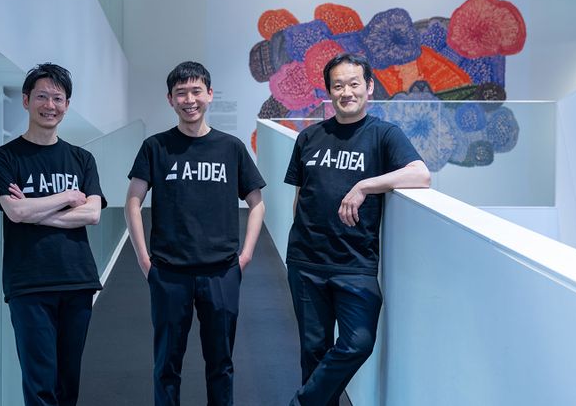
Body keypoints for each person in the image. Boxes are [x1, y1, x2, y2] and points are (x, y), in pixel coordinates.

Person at [285, 53, 430, 406]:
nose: (346, 92)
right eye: (338, 86)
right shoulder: (309, 137)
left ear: (369, 87)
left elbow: (420, 174)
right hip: (306, 261)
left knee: (358, 342)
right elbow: (301, 197)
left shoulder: (383, 135)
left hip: (355, 263)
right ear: (329, 91)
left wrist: (365, 185)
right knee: (314, 352)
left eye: (353, 84)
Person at [125, 61, 266, 406]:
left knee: (221, 364)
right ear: (170, 99)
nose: (189, 100)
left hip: (221, 271)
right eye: (181, 93)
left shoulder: (231, 147)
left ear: (210, 94)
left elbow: (257, 203)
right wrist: (144, 260)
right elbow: (132, 202)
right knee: (166, 365)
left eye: (196, 91)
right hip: (169, 272)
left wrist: (245, 256)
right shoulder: (156, 147)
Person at [0, 63, 106, 406]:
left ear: (67, 105)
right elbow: (16, 212)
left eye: (58, 98)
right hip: (29, 284)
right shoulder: (5, 157)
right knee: (40, 385)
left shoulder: (82, 159)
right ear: (26, 101)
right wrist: (68, 197)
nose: (49, 105)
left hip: (78, 280)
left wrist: (35, 211)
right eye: (42, 96)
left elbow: (92, 214)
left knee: (68, 384)